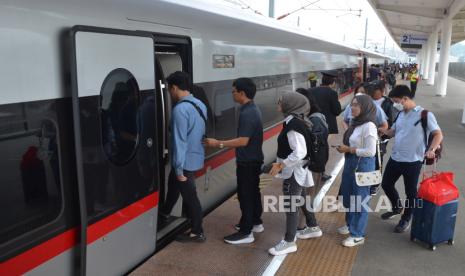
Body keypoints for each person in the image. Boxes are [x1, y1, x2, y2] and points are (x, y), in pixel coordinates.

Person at [204, 78, 264, 244]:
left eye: (233, 91)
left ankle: (246, 232)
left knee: (245, 195)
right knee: (253, 192)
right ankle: (256, 222)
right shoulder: (252, 109)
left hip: (248, 162)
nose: (232, 94)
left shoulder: (247, 113)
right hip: (254, 159)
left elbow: (243, 141)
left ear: (242, 93)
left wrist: (219, 143)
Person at [379, 85, 443, 233]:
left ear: (405, 99)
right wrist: (384, 131)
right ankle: (397, 208)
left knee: (410, 192)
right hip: (395, 158)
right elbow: (393, 131)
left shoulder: (425, 114)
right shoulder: (401, 114)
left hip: (413, 161)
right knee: (386, 184)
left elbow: (438, 134)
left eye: (396, 101)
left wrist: (431, 150)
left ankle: (406, 218)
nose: (395, 104)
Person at [268, 92, 322, 256]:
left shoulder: (293, 126)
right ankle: (313, 227)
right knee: (302, 198)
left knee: (291, 205)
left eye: (281, 101)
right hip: (299, 169)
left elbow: (300, 152)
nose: (278, 102)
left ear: (290, 105)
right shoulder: (297, 122)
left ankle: (289, 241)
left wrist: (280, 165)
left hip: (294, 171)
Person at [161, 71, 207, 242]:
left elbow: (180, 142)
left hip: (184, 162)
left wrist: (179, 167)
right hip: (195, 157)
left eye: (170, 90)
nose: (170, 94)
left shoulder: (180, 109)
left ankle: (197, 232)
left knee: (190, 197)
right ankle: (165, 213)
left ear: (174, 88)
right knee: (173, 186)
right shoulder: (199, 104)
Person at [336, 94, 377, 247]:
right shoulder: (356, 123)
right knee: (348, 196)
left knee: (360, 200)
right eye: (352, 104)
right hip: (351, 163)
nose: (352, 108)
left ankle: (358, 234)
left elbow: (370, 151)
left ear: (365, 108)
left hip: (364, 166)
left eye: (356, 105)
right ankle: (350, 224)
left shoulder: (369, 126)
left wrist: (349, 149)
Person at [306, 71, 342, 181]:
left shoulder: (310, 91)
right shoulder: (332, 93)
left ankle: (308, 171)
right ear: (333, 82)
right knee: (321, 149)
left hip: (310, 123)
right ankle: (321, 173)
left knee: (310, 147)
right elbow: (337, 111)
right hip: (323, 126)